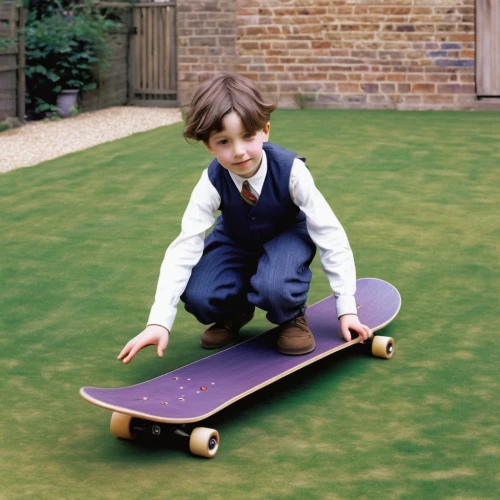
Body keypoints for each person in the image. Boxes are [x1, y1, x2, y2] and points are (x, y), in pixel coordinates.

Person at [118, 73, 370, 364]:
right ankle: (234, 312)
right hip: (236, 237)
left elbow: (330, 233)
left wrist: (346, 307)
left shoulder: (292, 172)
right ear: (209, 147)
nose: (238, 152)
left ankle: (291, 316)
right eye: (224, 141)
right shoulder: (211, 181)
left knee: (275, 286)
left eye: (247, 136)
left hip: (286, 233)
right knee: (199, 294)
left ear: (265, 130)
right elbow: (185, 245)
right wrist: (159, 321)